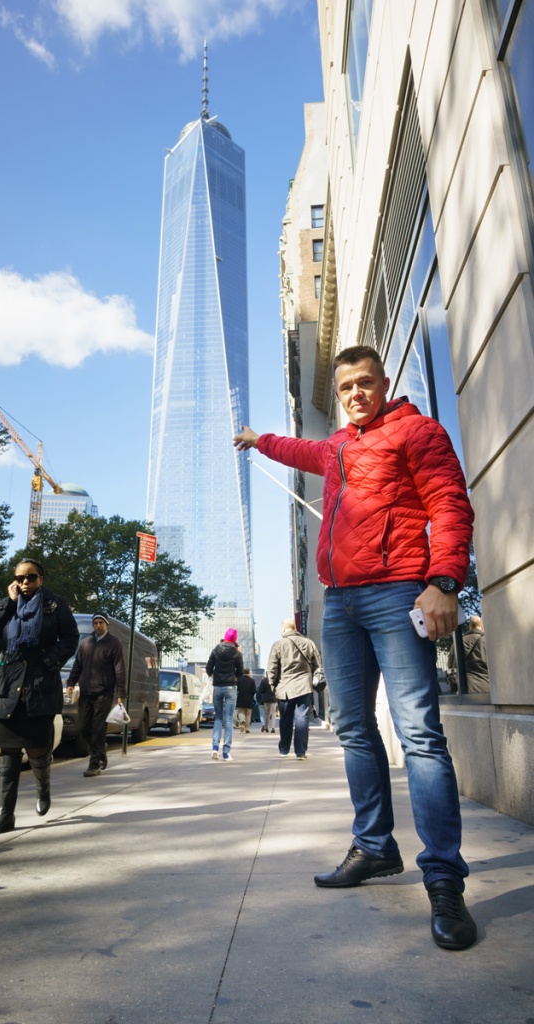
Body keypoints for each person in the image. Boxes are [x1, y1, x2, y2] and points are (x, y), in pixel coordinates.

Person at [233, 344, 477, 951]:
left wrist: (444, 581)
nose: (355, 394)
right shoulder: (338, 446)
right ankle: (374, 847)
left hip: (398, 592)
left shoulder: (417, 431)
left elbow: (450, 504)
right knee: (352, 729)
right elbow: (298, 450)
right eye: (345, 388)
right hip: (340, 601)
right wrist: (258, 440)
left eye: (365, 383)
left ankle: (444, 879)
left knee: (418, 734)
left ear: (383, 382)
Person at [0, 558, 79, 835]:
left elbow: (70, 638)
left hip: (39, 683)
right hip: (8, 683)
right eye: (19, 578)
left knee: (36, 748)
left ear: (41, 579)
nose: (25, 583)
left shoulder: (55, 605)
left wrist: (49, 662)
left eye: (30, 577)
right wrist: (9, 604)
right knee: (8, 750)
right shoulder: (6, 604)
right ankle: (5, 815)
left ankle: (43, 788)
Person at [66, 612, 127, 778]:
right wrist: (71, 682)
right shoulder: (86, 643)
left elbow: (120, 669)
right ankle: (100, 751)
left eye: (101, 623)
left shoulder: (114, 643)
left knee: (98, 728)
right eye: (96, 623)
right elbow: (77, 665)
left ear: (106, 624)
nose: (98, 625)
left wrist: (121, 692)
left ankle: (94, 764)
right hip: (86, 692)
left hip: (104, 692)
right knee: (83, 727)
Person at [266, 619, 321, 760]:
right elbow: (317, 665)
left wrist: (273, 687)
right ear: (295, 628)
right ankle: (300, 752)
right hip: (304, 686)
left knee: (285, 719)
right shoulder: (309, 643)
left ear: (284, 630)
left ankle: (284, 750)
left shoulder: (278, 645)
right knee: (302, 719)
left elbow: (271, 669)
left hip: (284, 688)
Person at [206, 627, 244, 761]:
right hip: (230, 687)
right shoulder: (237, 653)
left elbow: (208, 669)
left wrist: (216, 674)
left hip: (217, 687)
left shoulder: (216, 649)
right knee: (228, 720)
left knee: (218, 718)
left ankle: (215, 748)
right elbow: (240, 673)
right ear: (235, 639)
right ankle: (226, 753)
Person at [447, 616, 490, 694]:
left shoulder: (457, 642)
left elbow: (450, 664)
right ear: (482, 627)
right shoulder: (486, 641)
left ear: (470, 627)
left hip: (463, 687)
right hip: (485, 686)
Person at [236, 668, 257, 733]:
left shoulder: (239, 680)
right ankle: (247, 728)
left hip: (240, 699)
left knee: (240, 712)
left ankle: (242, 720)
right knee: (248, 714)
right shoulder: (252, 681)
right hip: (249, 700)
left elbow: (237, 689)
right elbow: (254, 691)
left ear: (243, 672)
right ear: (249, 673)